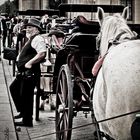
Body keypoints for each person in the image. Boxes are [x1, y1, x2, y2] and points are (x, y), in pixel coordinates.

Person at [9, 18, 47, 127]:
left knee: (27, 96)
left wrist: (30, 62)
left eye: (30, 27)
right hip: (24, 73)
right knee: (14, 89)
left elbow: (42, 54)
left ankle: (27, 121)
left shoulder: (38, 38)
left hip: (30, 73)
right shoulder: (31, 38)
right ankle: (23, 112)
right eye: (27, 27)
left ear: (36, 29)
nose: (27, 29)